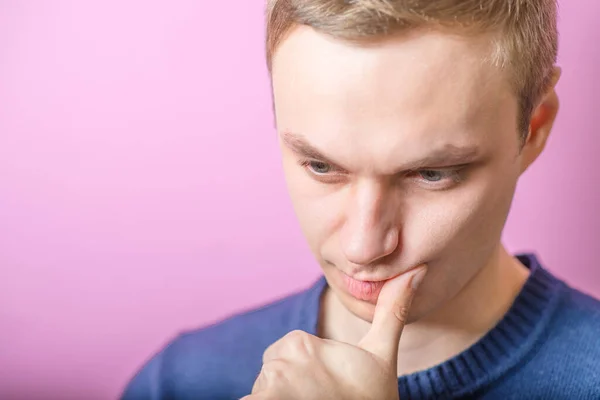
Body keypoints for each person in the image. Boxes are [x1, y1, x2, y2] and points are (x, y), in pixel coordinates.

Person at [121, 1, 600, 399]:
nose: (364, 247)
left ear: (533, 129)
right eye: (322, 166)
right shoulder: (180, 382)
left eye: (431, 174)